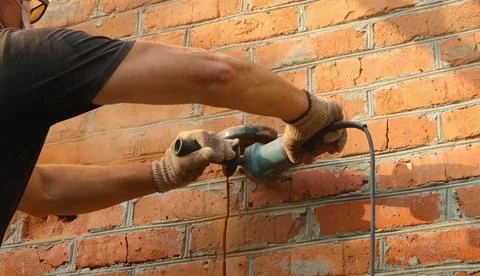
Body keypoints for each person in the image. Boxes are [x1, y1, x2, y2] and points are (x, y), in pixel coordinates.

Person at [0, 0, 346, 243]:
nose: (31, 16)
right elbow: (216, 75)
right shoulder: (17, 57)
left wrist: (162, 173)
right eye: (30, 4)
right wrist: (307, 113)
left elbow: (41, 192)